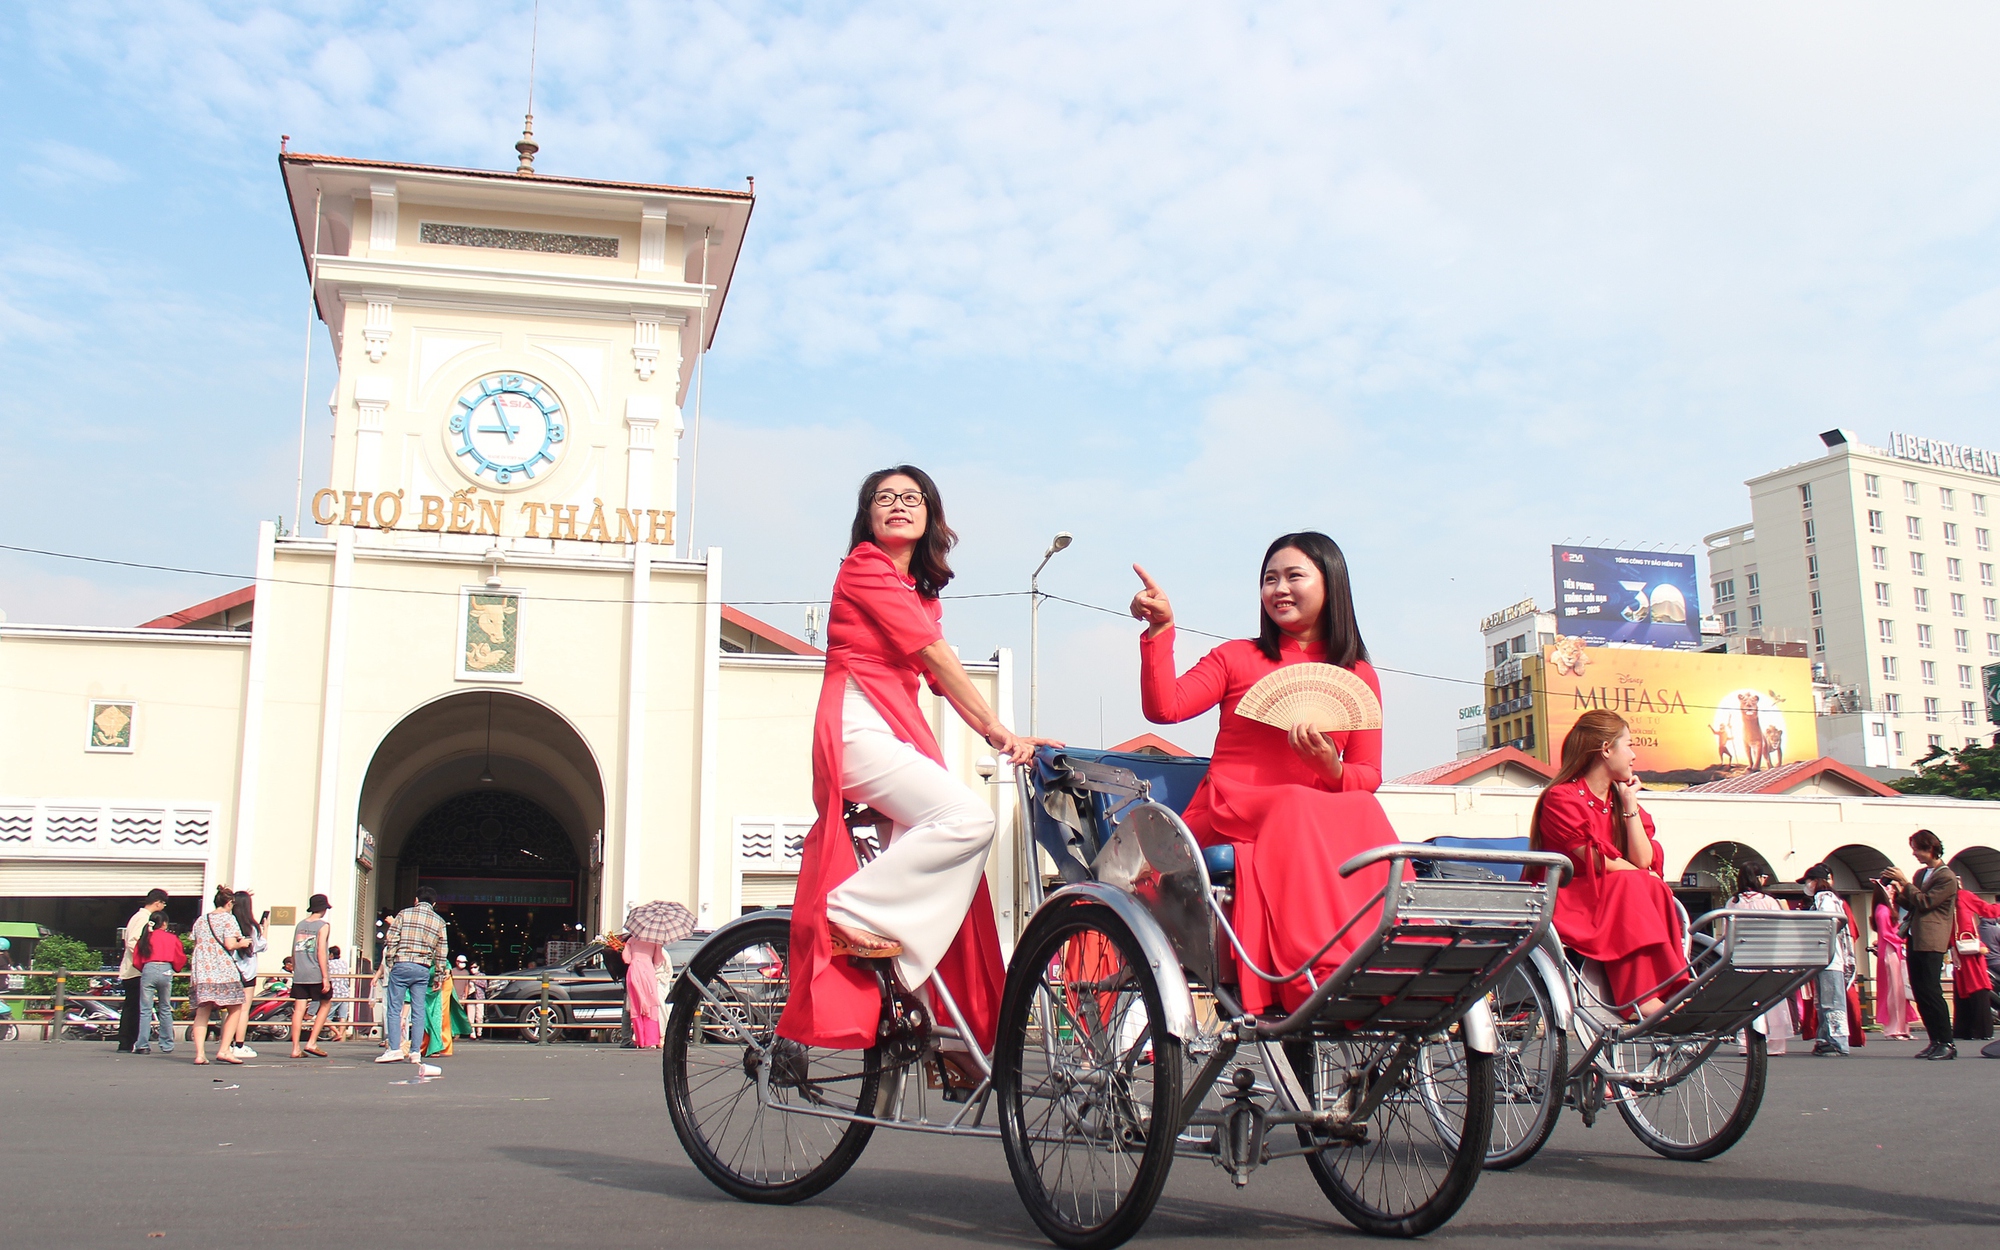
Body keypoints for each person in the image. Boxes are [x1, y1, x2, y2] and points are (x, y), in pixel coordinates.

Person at [778, 466, 1047, 1058]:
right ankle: (851, 910)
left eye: (911, 498)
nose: (898, 505)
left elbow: (934, 672)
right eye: (884, 498)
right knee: (967, 821)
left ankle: (934, 1027)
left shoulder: (920, 592)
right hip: (855, 724)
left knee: (948, 870)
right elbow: (936, 659)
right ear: (867, 516)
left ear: (930, 514)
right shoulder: (865, 567)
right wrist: (996, 730)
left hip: (893, 728)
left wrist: (1002, 733)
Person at [1131, 533, 1397, 1016]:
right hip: (1233, 807)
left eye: (1295, 576)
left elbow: (1368, 774)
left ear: (1332, 585)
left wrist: (1330, 769)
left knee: (1360, 804)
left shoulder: (1358, 673)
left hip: (1318, 821)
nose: (1279, 589)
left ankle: (1382, 949)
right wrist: (1161, 631)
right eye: (1269, 579)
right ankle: (1314, 962)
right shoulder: (1236, 657)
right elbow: (1165, 708)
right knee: (1295, 801)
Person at [1529, 710, 1688, 1018]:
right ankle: (1641, 997)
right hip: (1570, 900)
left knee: (1644, 884)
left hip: (1614, 895)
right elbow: (1602, 862)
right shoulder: (1561, 798)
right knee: (1638, 883)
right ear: (1605, 749)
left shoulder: (1620, 799)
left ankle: (1667, 988)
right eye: (1628, 745)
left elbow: (1643, 860)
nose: (1634, 755)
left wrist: (1629, 805)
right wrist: (1645, 877)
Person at [1883, 829, 1960, 1059]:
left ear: (1931, 848)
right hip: (1916, 937)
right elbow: (1912, 901)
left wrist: (1905, 882)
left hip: (1932, 939)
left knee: (1931, 990)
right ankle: (1934, 1040)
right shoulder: (1921, 875)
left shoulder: (1946, 877)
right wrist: (1896, 888)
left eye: (1918, 849)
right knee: (1920, 991)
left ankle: (1947, 1042)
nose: (1915, 854)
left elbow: (1926, 902)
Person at [378, 887, 446, 1075]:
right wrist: (439, 975)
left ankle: (394, 1048)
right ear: (433, 904)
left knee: (394, 1008)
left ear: (416, 900)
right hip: (422, 968)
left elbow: (391, 939)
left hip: (402, 964)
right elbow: (442, 952)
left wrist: (391, 962)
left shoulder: (403, 914)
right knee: (418, 1010)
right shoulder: (439, 921)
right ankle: (415, 1052)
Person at [1730, 867, 1796, 1054]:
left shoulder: (1733, 902)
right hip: (1767, 956)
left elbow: (1728, 933)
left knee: (1746, 1001)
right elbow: (1781, 930)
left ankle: (1745, 1042)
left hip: (1743, 957)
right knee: (1771, 1001)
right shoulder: (1769, 901)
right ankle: (1775, 1043)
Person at [188, 886, 251, 1065]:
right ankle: (224, 1049)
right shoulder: (228, 919)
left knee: (203, 1011)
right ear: (229, 903)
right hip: (222, 969)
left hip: (202, 970)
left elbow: (195, 941)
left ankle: (200, 1054)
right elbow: (230, 944)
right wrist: (243, 943)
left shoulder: (201, 920)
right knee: (235, 1007)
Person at [1802, 864, 1856, 1056]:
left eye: (1808, 881)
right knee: (1825, 1002)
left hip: (1830, 959)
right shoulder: (1825, 899)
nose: (1807, 886)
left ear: (1816, 881)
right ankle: (1825, 1038)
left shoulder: (1826, 899)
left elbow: (1830, 923)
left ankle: (1838, 1041)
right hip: (1824, 958)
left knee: (1832, 1002)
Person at [115, 888, 170, 1052]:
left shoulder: (141, 917)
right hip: (136, 970)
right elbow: (133, 942)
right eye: (163, 904)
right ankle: (126, 1041)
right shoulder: (143, 918)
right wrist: (146, 958)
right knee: (134, 1007)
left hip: (137, 969)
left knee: (135, 1006)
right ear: (158, 903)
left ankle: (128, 1041)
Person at [219, 892, 266, 1060]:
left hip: (230, 970)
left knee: (230, 1009)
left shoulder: (228, 923)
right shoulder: (251, 927)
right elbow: (260, 946)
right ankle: (239, 1044)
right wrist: (265, 930)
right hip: (247, 972)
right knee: (243, 1009)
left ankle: (226, 1044)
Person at [288, 894, 336, 1059]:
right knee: (325, 1003)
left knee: (299, 1009)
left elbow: (293, 949)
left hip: (300, 971)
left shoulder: (300, 925)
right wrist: (325, 976)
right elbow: (321, 951)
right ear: (323, 909)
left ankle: (295, 1048)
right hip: (315, 970)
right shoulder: (323, 926)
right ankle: (312, 1042)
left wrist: (295, 967)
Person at [132, 914, 185, 1055]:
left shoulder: (145, 938)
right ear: (164, 924)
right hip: (166, 969)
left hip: (148, 968)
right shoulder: (172, 938)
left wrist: (145, 969)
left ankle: (142, 1044)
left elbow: (136, 960)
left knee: (145, 1010)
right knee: (165, 1008)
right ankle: (167, 1044)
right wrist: (175, 968)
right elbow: (180, 957)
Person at [1950, 889, 1999, 1041]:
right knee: (1978, 986)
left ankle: (1963, 1029)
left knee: (1962, 989)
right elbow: (1988, 910)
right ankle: (1981, 1029)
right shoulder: (1962, 895)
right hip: (1969, 946)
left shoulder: (1942, 897)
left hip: (1956, 946)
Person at [1870, 879, 1915, 1040]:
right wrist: (1901, 939)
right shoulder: (1882, 910)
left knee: (1899, 991)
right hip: (1890, 951)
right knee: (1893, 991)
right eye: (1889, 888)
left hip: (1894, 950)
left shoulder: (1888, 908)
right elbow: (1886, 934)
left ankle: (1902, 1027)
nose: (1892, 891)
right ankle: (1893, 1028)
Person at [326, 945, 354, 1042]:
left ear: (331, 954)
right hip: (345, 992)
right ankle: (341, 1035)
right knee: (343, 1016)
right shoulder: (344, 963)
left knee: (325, 1017)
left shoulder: (328, 964)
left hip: (334, 993)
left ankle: (337, 1033)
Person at [460, 958, 485, 1040]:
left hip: (479, 998)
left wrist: (475, 981)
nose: (473, 969)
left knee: (479, 1016)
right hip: (470, 997)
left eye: (475, 967)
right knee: (470, 1017)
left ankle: (479, 1033)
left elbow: (485, 985)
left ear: (478, 967)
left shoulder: (482, 976)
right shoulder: (468, 976)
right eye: (471, 968)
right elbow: (465, 987)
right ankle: (472, 1033)